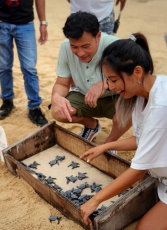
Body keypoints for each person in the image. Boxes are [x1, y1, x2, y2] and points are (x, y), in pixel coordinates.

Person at [80, 33, 167, 229]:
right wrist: (107, 146)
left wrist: (95, 200)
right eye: (108, 81)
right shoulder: (143, 93)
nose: (111, 87)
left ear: (137, 72)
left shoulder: (163, 104)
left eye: (114, 80)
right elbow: (141, 139)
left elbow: (137, 171)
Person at [50, 12, 131, 143]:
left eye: (86, 46)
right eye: (74, 46)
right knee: (56, 111)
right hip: (85, 96)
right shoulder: (65, 46)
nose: (80, 53)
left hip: (115, 96)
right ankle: (91, 125)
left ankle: (111, 141)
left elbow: (133, 80)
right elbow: (62, 84)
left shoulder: (116, 45)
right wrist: (56, 97)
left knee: (128, 112)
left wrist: (105, 83)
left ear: (98, 36)